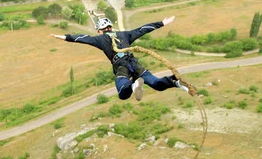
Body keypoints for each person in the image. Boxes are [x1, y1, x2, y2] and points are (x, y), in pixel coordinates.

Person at [51, 16, 188, 101]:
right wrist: (162, 23)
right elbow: (142, 29)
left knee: (123, 93)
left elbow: (82, 38)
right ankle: (175, 82)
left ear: (100, 30)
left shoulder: (100, 39)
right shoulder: (124, 34)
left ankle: (134, 85)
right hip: (135, 63)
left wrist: (65, 37)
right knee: (157, 84)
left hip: (121, 66)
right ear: (111, 27)